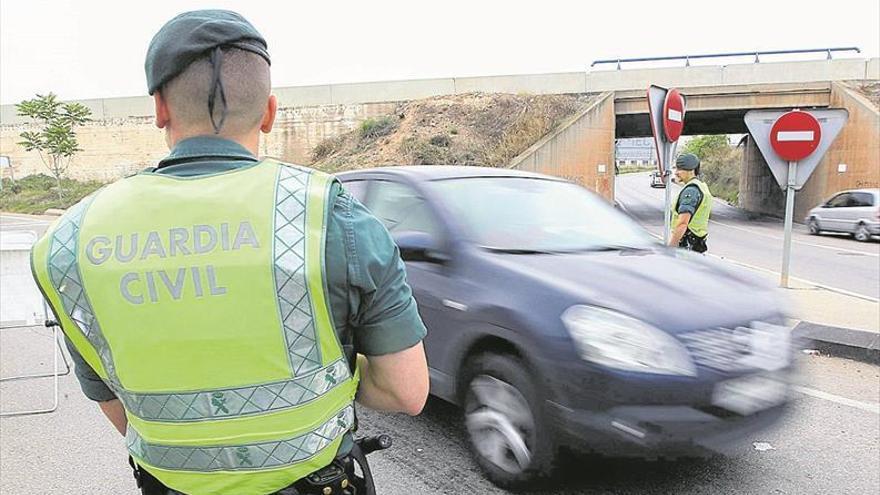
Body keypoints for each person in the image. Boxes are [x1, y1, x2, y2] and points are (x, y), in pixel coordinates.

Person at [30, 10, 429, 495]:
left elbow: (116, 404)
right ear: (269, 112)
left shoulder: (69, 243)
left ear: (159, 109)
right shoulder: (332, 218)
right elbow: (405, 391)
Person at [668, 153, 712, 253]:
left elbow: (682, 224)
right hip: (697, 245)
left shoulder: (691, 191)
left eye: (680, 169)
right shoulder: (702, 187)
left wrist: (670, 249)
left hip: (686, 247)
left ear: (691, 171)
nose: (676, 173)